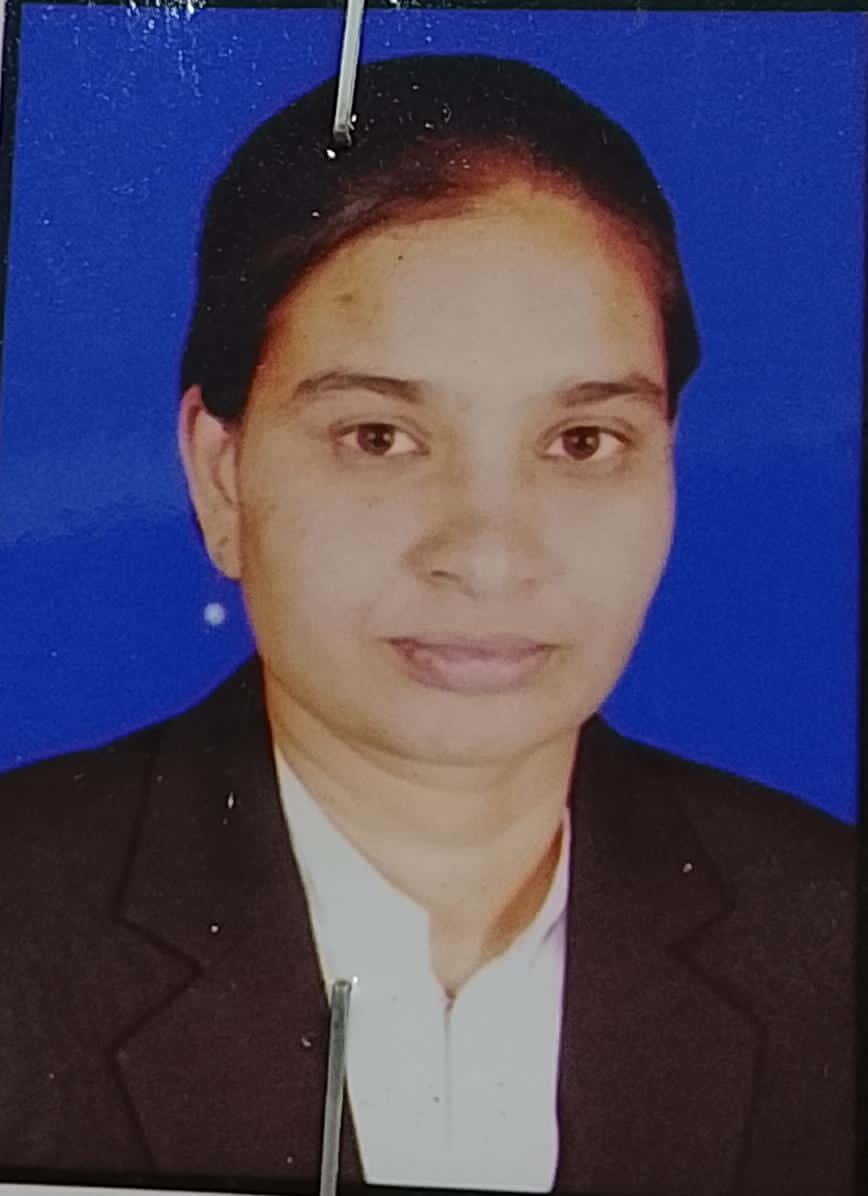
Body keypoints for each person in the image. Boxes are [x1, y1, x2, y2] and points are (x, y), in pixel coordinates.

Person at [0, 54, 854, 1196]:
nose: (487, 554)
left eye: (582, 441)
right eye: (379, 438)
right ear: (221, 476)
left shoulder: (832, 936)